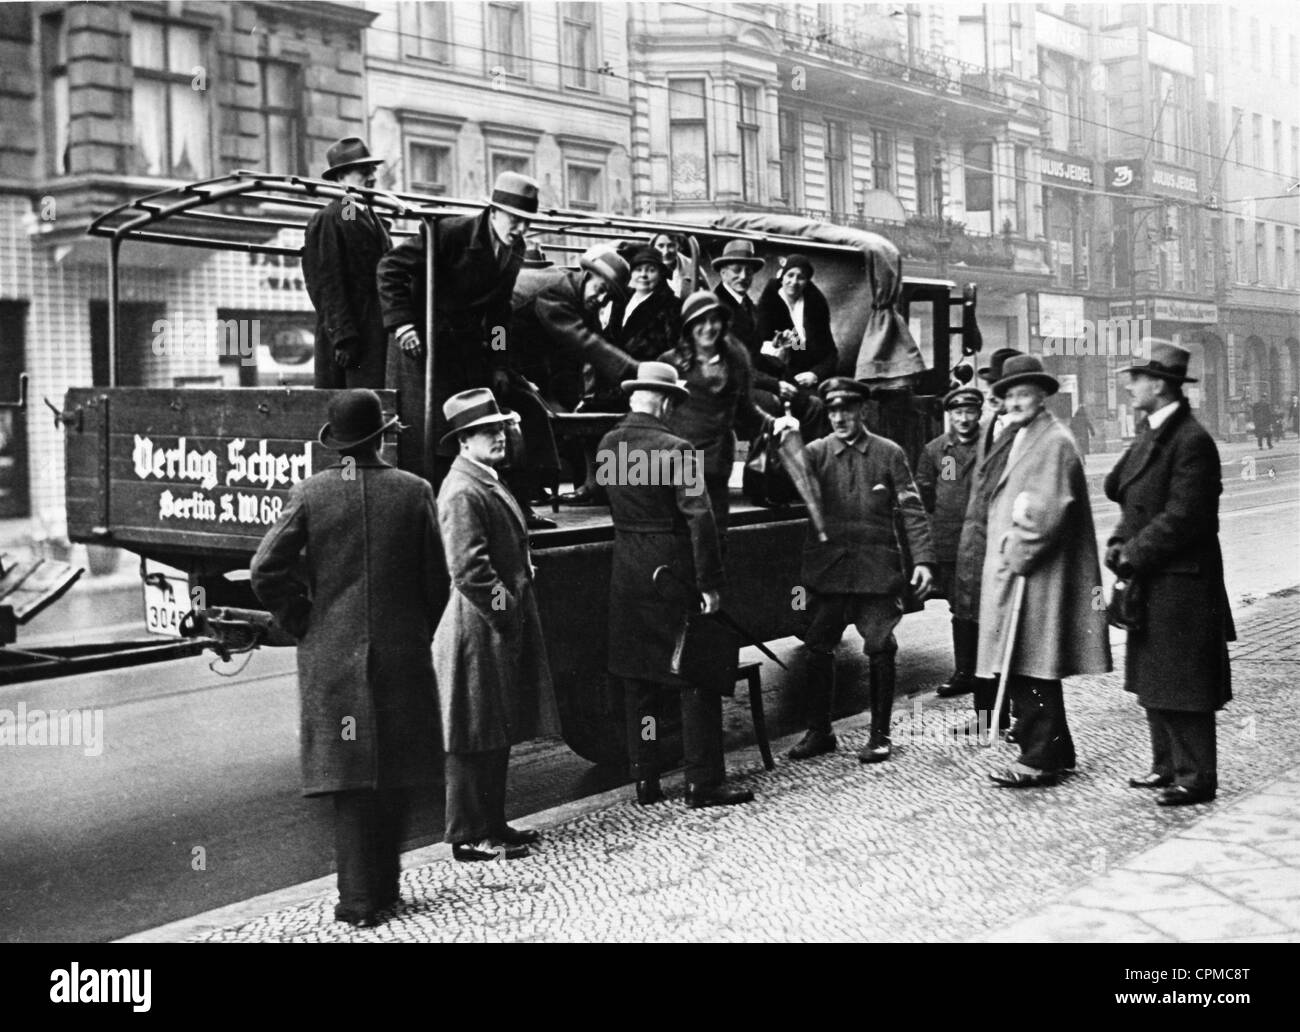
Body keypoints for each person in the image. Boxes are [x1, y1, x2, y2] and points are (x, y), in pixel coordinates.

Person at [250, 389, 444, 927]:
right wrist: (415, 631)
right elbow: (437, 580)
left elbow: (265, 568)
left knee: (351, 779)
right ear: (382, 437)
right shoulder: (414, 491)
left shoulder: (310, 493)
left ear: (335, 443)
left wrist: (302, 619)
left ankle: (358, 899)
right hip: (400, 653)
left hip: (331, 656)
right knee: (398, 771)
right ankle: (384, 888)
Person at [599, 361, 753, 808]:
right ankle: (702, 783)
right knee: (695, 675)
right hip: (670, 571)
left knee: (640, 681)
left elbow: (610, 495)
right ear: (666, 402)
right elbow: (700, 519)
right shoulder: (677, 449)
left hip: (627, 568)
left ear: (635, 397)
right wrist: (710, 582)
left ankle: (646, 778)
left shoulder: (608, 444)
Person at [377, 170, 559, 528]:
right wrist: (403, 325)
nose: (521, 228)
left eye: (527, 221)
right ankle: (435, 514)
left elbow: (500, 313)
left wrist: (501, 363)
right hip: (422, 347)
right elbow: (390, 269)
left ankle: (519, 503)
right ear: (494, 211)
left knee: (522, 408)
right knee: (433, 429)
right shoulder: (450, 233)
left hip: (466, 347)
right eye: (515, 219)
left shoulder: (515, 249)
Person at [1105, 342, 1235, 806]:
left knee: (1184, 681)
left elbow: (1185, 516)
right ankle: (1165, 765)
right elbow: (1127, 493)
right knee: (1155, 676)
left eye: (1137, 378)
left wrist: (1132, 553)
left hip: (1183, 580)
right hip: (1155, 575)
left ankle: (1195, 777)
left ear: (1159, 385)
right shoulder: (1156, 430)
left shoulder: (1191, 440)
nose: (1129, 386)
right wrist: (1120, 541)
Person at [432, 388, 560, 859]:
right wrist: (507, 611)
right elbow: (469, 570)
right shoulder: (462, 488)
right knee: (473, 732)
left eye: (502, 427)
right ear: (463, 440)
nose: (501, 436)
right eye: (487, 431)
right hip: (478, 627)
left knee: (493, 728)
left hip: (488, 624)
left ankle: (493, 824)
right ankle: (469, 835)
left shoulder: (483, 477)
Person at [782, 378, 935, 763]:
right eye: (832, 411)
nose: (839, 418)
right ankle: (820, 732)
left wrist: (923, 561)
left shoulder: (889, 453)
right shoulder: (815, 452)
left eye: (846, 410)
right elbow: (784, 483)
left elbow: (912, 509)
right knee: (818, 647)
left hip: (875, 572)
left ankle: (879, 735)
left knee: (880, 647)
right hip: (829, 572)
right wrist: (781, 443)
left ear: (862, 410)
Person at [977, 355, 1111, 787]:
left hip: (1035, 572)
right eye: (1009, 394)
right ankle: (1056, 750)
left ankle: (1040, 758)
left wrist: (1015, 552)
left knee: (1032, 663)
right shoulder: (1023, 433)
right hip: (1024, 571)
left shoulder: (1052, 440)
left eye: (1024, 393)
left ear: (1041, 396)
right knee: (1027, 661)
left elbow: (1048, 510)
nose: (1015, 401)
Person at [509, 245, 635, 510]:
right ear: (586, 276)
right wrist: (498, 362)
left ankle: (534, 489)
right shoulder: (556, 290)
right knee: (526, 412)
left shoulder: (581, 303)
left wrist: (580, 399)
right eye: (601, 289)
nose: (601, 299)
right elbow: (581, 341)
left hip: (522, 358)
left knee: (549, 412)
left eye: (608, 297)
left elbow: (579, 358)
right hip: (491, 340)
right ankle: (522, 496)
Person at [660, 290, 774, 535]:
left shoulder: (736, 359)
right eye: (700, 321)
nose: (708, 328)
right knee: (685, 531)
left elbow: (746, 409)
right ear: (688, 327)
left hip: (717, 462)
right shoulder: (670, 363)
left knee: (715, 531)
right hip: (683, 461)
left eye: (714, 320)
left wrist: (774, 424)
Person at [950, 348, 1021, 737]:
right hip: (977, 542)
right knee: (980, 629)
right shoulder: (992, 424)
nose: (992, 392)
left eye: (999, 385)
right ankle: (986, 716)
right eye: (992, 384)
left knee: (1013, 633)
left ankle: (1024, 718)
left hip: (1004, 543)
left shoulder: (1024, 431)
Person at [712, 240, 828, 440]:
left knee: (814, 405)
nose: (743, 277)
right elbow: (730, 363)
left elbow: (755, 354)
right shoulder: (716, 308)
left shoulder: (748, 305)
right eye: (736, 270)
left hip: (753, 380)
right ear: (723, 273)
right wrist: (775, 385)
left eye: (748, 271)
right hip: (729, 387)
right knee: (771, 404)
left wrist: (783, 373)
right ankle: (755, 457)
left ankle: (804, 454)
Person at [302, 138, 391, 389]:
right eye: (364, 171)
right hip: (352, 338)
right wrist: (343, 336)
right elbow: (326, 283)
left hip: (373, 330)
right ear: (341, 177)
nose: (372, 177)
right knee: (352, 401)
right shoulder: (331, 218)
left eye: (373, 170)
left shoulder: (362, 214)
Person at [915, 386, 981, 699]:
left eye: (970, 412)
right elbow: (924, 495)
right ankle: (965, 672)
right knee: (961, 607)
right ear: (949, 416)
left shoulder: (993, 445)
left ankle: (992, 673)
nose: (964, 419)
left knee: (990, 607)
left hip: (986, 541)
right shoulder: (936, 451)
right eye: (958, 413)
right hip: (951, 543)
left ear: (979, 414)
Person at [754, 255, 839, 404]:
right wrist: (777, 346)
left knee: (824, 401)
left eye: (801, 278)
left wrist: (814, 374)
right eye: (790, 275)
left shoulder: (815, 305)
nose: (794, 282)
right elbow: (757, 352)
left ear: (807, 281)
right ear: (782, 277)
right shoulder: (768, 304)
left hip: (807, 377)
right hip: (776, 377)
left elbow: (830, 353)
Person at [650, 232, 697, 298]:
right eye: (660, 246)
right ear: (653, 248)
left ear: (679, 246)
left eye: (671, 245)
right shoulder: (644, 267)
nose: (665, 252)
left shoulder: (692, 266)